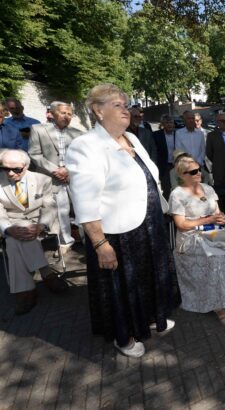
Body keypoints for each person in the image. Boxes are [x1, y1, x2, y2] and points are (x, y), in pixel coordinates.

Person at [65, 84, 180, 358]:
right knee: (122, 287)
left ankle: (152, 318)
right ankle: (124, 336)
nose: (125, 109)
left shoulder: (132, 138)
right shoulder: (86, 146)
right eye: (117, 105)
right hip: (118, 234)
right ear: (97, 111)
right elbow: (85, 201)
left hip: (148, 225)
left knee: (150, 276)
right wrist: (100, 242)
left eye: (126, 104)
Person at [169, 155, 225, 327]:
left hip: (212, 232)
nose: (199, 173)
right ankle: (218, 305)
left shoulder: (207, 188)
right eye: (193, 172)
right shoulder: (177, 194)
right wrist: (206, 220)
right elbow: (181, 224)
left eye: (199, 169)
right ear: (182, 174)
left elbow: (218, 213)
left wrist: (221, 218)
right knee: (214, 259)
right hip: (191, 237)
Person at [0, 149, 68, 315]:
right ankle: (47, 275)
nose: (9, 173)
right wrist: (8, 229)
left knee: (14, 242)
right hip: (12, 225)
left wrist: (40, 226)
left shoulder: (42, 179)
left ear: (25, 166)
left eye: (15, 169)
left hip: (40, 225)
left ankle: (26, 293)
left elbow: (50, 206)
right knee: (12, 239)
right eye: (4, 168)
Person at [28, 101, 83, 250]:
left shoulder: (78, 133)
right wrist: (56, 170)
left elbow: (82, 157)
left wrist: (68, 170)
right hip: (51, 178)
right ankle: (65, 242)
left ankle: (87, 240)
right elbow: (34, 153)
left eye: (69, 114)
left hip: (72, 177)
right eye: (63, 113)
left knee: (82, 209)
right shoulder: (38, 129)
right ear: (52, 114)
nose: (67, 116)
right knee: (61, 211)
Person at [175, 111, 207, 182]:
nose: (191, 120)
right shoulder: (179, 133)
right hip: (185, 168)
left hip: (199, 166)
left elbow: (203, 150)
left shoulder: (200, 133)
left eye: (192, 118)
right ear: (184, 120)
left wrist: (197, 162)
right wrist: (189, 164)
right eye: (188, 118)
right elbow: (179, 151)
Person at [152, 114, 176, 199]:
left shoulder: (178, 134)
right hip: (164, 166)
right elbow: (155, 151)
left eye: (171, 122)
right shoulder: (156, 135)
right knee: (166, 188)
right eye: (167, 122)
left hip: (176, 165)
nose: (170, 124)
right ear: (162, 124)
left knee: (177, 187)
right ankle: (167, 210)